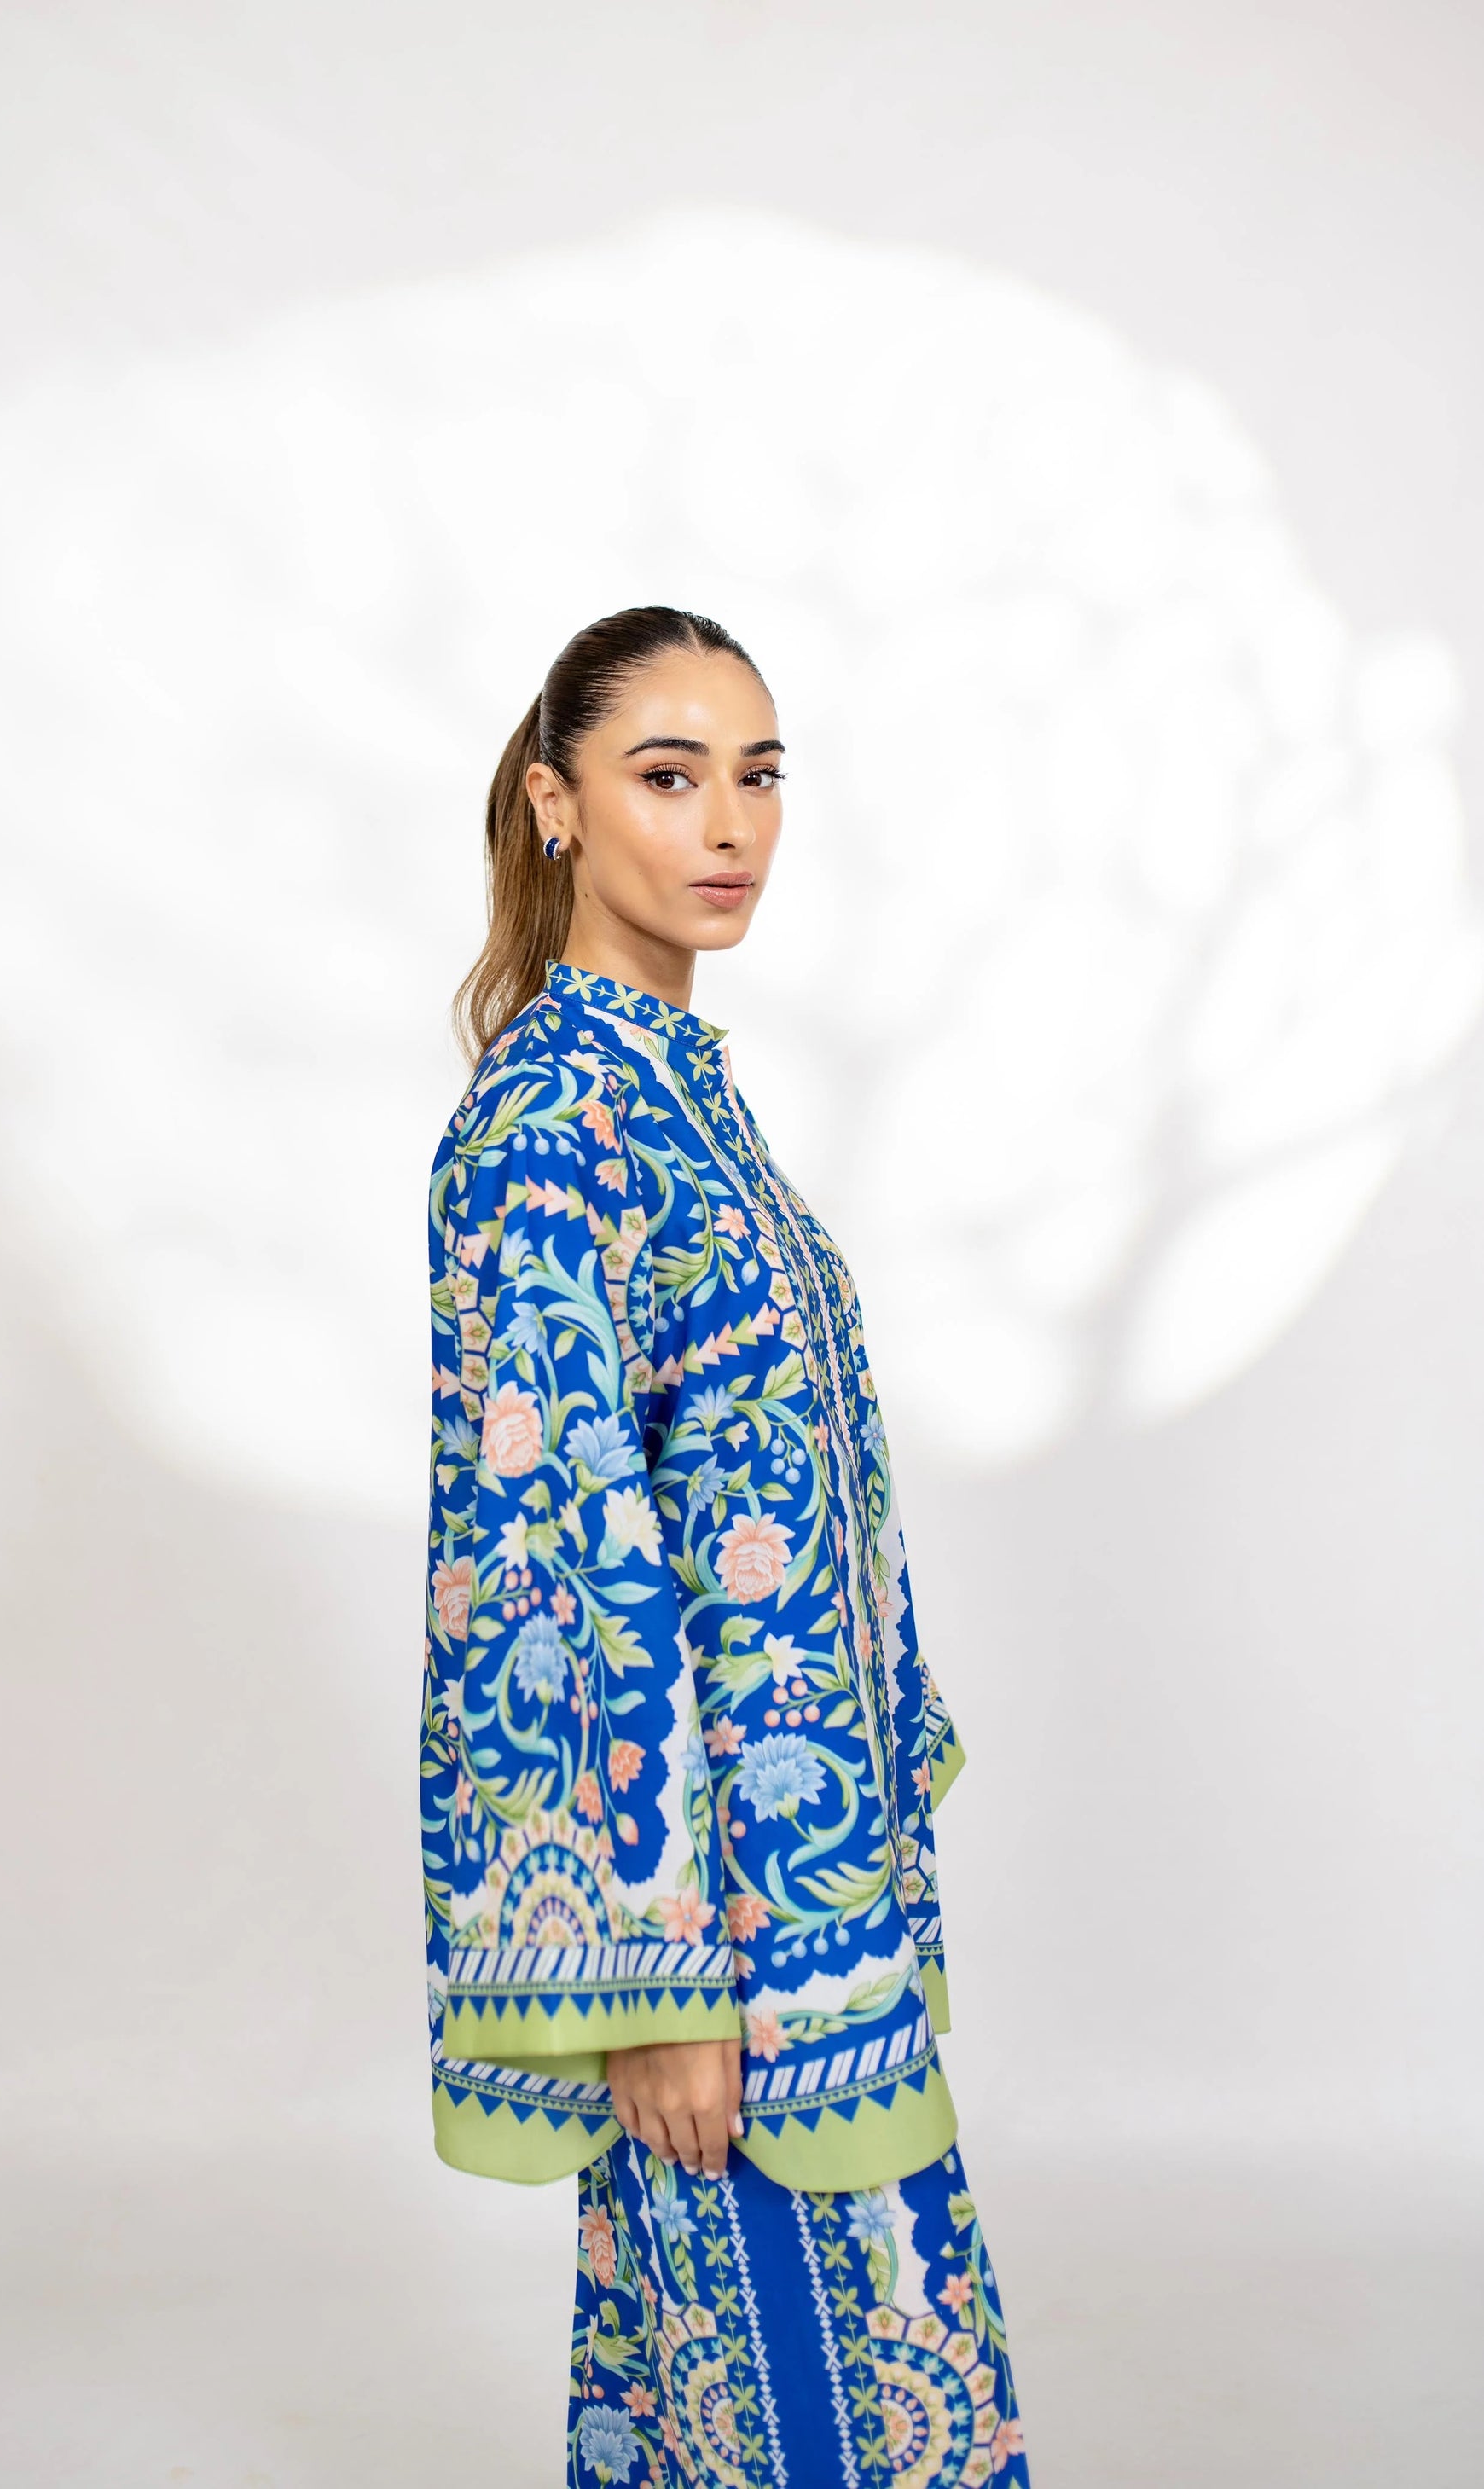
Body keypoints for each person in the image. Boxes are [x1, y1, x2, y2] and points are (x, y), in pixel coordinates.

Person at [423, 607, 1029, 2486]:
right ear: (555, 803)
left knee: (797, 2389)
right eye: (668, 775)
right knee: (821, 2396)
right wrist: (645, 1989)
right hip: (714, 1935)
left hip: (814, 1890)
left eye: (758, 776)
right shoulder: (548, 1122)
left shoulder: (693, 1097)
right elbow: (547, 1563)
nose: (729, 823)